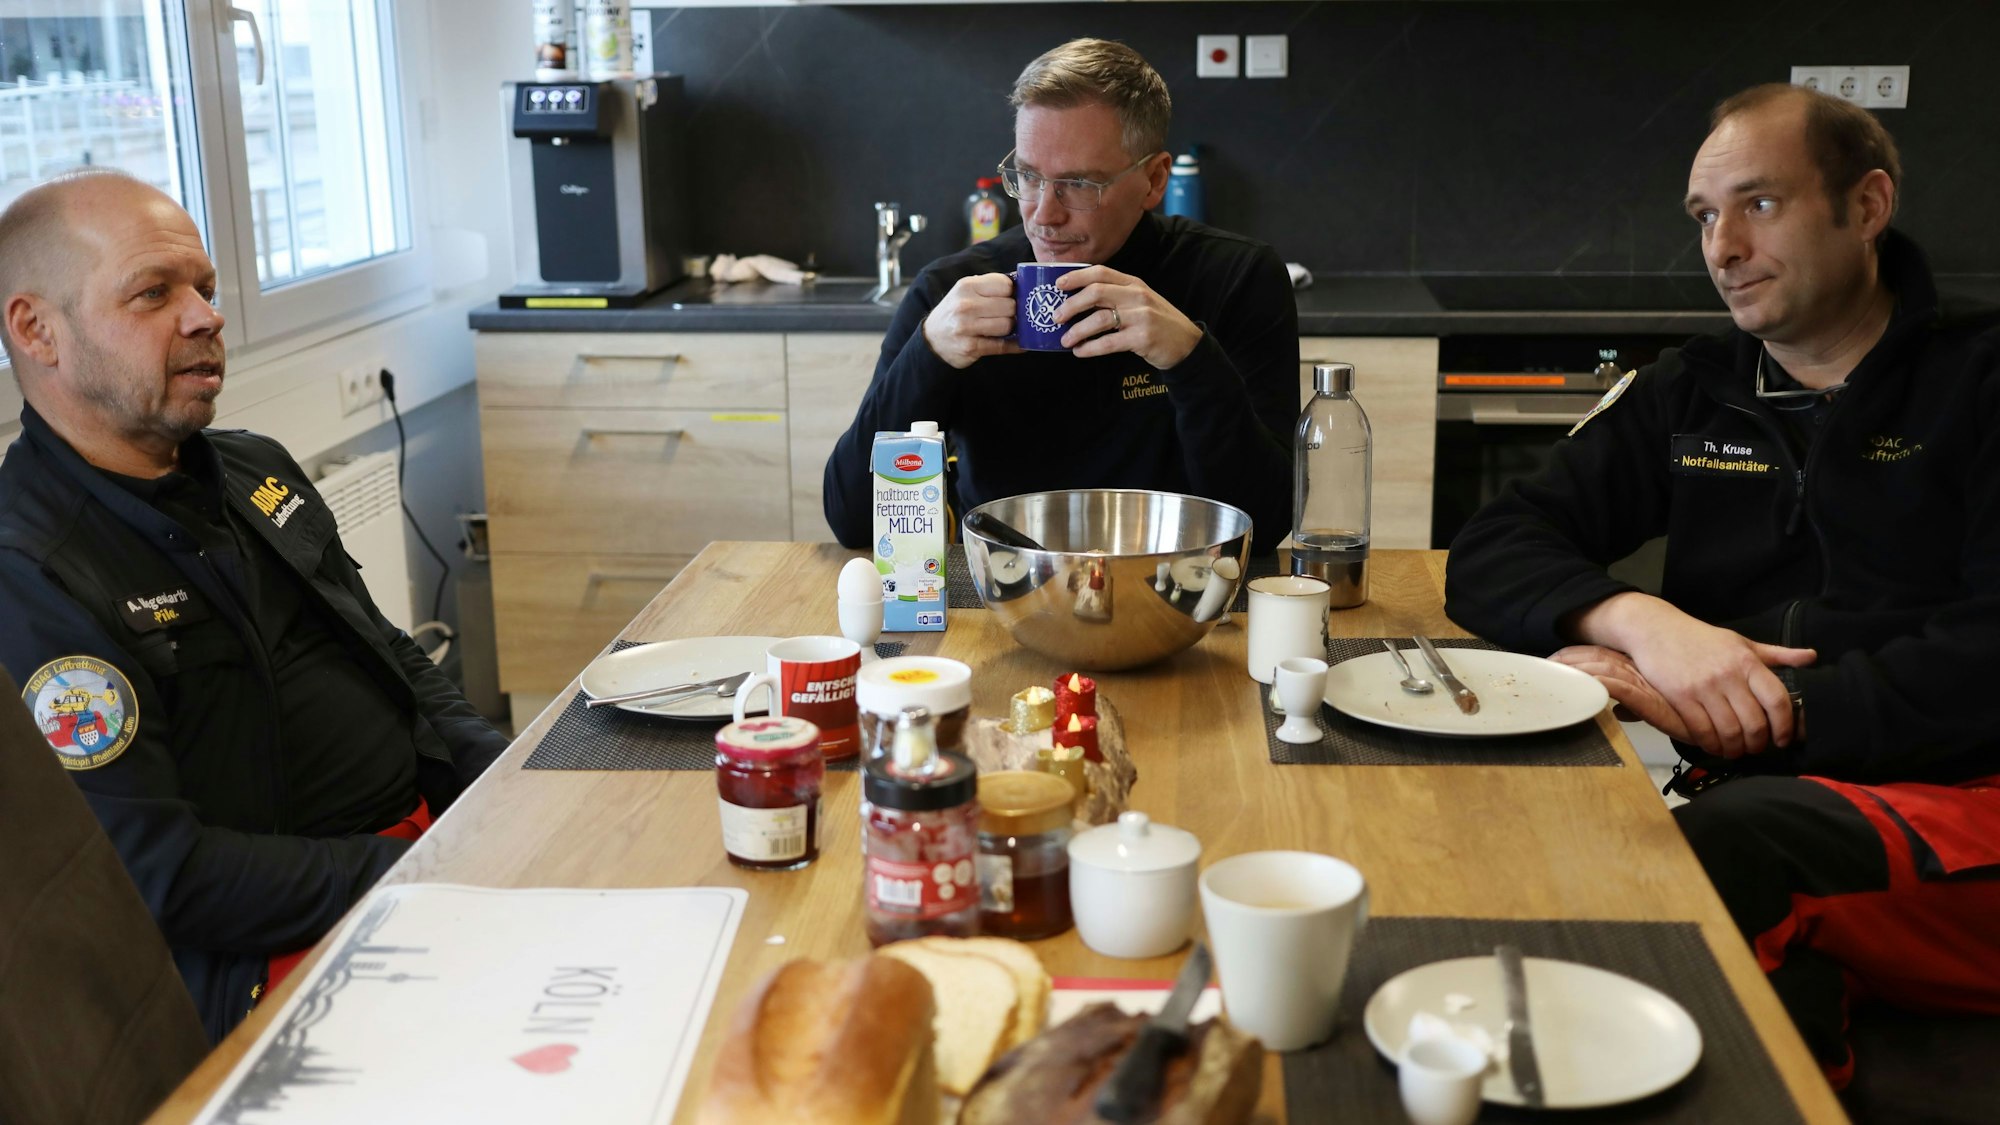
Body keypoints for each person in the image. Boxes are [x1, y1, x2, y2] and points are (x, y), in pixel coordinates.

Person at [1443, 83, 2000, 1085]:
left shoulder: (1983, 382)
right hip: (1760, 787)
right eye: (1704, 216)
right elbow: (1491, 543)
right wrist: (1638, 622)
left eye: (1758, 203)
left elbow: (1987, 655)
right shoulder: (1689, 392)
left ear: (1864, 206)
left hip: (1961, 797)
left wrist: (1769, 707)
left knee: (1727, 855)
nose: (1721, 247)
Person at [0, 169, 508, 1042]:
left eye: (204, 287)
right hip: (275, 954)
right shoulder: (33, 571)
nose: (204, 316)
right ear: (37, 329)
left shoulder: (252, 466)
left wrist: (515, 784)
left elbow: (392, 657)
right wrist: (425, 868)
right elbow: (163, 873)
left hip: (420, 860)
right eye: (153, 293)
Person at [822, 38, 1298, 551]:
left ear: (1155, 179)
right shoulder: (952, 293)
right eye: (1028, 176)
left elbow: (1264, 526)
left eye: (1078, 184)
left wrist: (1189, 358)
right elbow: (853, 520)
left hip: (1177, 593)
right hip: (1002, 592)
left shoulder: (1236, 277)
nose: (1043, 215)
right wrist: (928, 355)